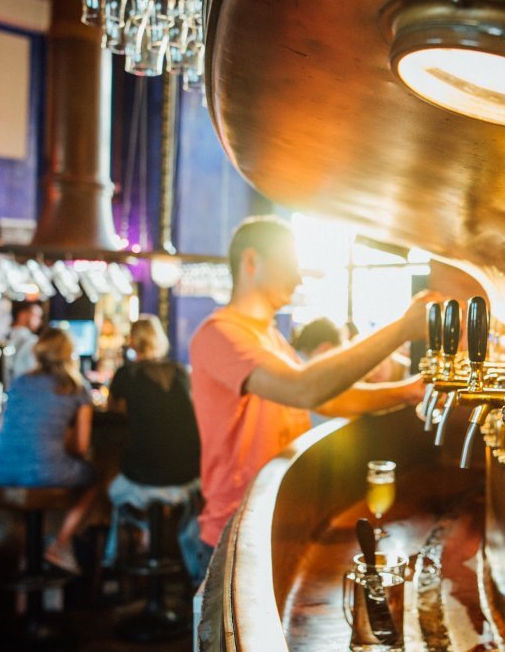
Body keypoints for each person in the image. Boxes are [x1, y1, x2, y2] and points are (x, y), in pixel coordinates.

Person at [188, 215, 438, 556]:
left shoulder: (269, 336)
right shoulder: (219, 333)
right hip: (234, 531)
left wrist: (410, 390)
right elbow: (304, 389)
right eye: (289, 264)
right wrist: (402, 329)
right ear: (251, 261)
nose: (298, 277)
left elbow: (327, 400)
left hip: (274, 517)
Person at [0, 327, 100, 575]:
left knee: (26, 499)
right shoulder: (76, 388)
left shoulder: (20, 381)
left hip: (0, 468)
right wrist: (59, 443)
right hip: (45, 471)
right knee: (93, 479)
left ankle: (27, 557)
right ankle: (59, 544)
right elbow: (81, 448)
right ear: (70, 354)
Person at [98, 315, 202, 579]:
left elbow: (113, 409)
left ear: (133, 341)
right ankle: (162, 545)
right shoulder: (181, 371)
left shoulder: (126, 373)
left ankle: (125, 551)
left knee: (110, 487)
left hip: (143, 476)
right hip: (188, 475)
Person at [4, 302, 43, 385]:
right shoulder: (33, 341)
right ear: (22, 315)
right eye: (36, 316)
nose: (39, 321)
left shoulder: (3, 335)